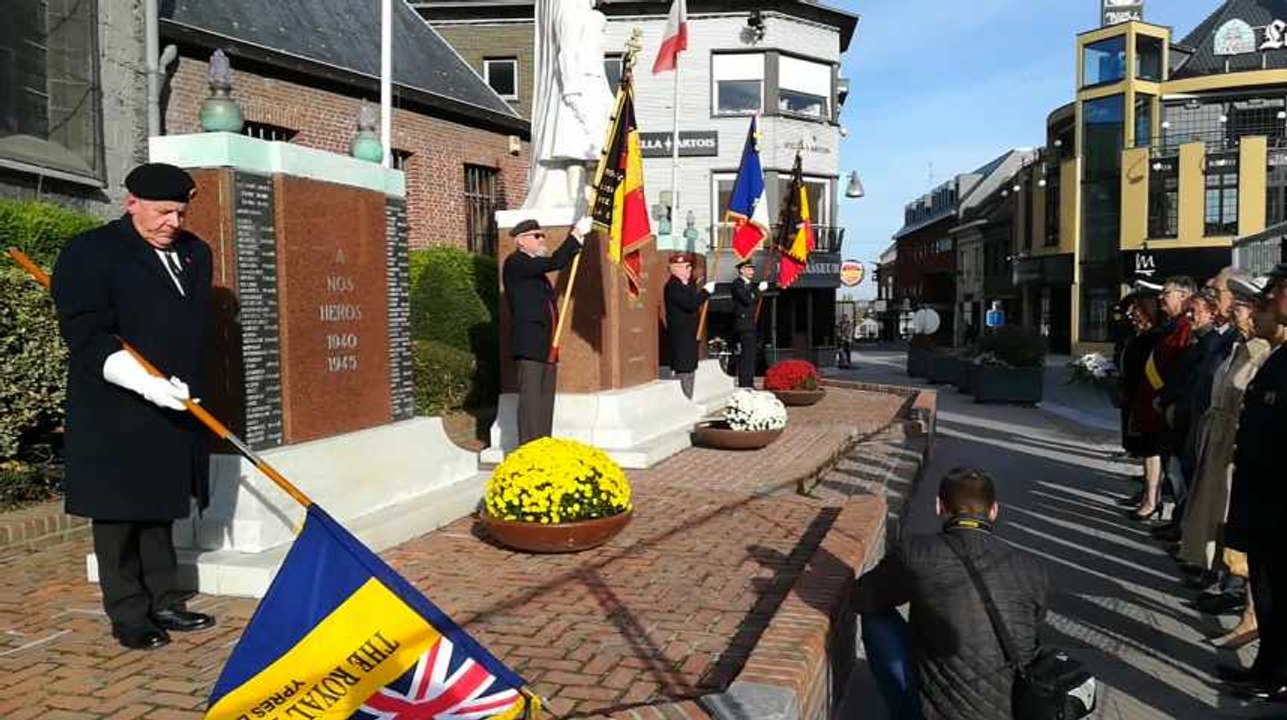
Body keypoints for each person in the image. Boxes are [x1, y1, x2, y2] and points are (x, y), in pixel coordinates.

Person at [50, 163, 216, 650]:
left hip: (174, 401)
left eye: (180, 213)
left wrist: (181, 387)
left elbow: (189, 329)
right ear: (132, 204)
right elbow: (87, 334)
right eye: (162, 212)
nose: (173, 223)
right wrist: (145, 383)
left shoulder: (195, 253)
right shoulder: (90, 252)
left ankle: (164, 600)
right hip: (114, 406)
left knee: (161, 505)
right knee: (119, 514)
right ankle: (128, 613)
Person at [853, 468, 1048, 720]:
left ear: (939, 507)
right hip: (1016, 708)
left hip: (938, 712)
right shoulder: (1031, 567)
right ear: (994, 511)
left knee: (876, 618)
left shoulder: (918, 551)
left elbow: (862, 597)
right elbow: (1034, 625)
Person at [1178, 274, 1270, 648]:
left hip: (1237, 450)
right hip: (1221, 444)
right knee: (1224, 527)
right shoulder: (1241, 345)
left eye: (1241, 308)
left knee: (1240, 534)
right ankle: (1246, 610)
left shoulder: (1263, 352)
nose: (1233, 313)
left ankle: (1250, 615)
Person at [1221, 264, 1287, 704]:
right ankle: (1268, 668)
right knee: (1267, 590)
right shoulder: (1280, 356)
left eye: (1279, 289)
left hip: (1280, 501)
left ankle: (1280, 675)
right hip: (1264, 500)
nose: (1272, 298)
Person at [502, 217, 589, 444]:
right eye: (536, 236)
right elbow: (555, 262)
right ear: (521, 241)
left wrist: (575, 245)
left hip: (547, 344)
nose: (542, 239)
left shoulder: (535, 272)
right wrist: (575, 236)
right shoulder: (517, 262)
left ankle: (543, 445)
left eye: (542, 235)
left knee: (544, 402)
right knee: (531, 403)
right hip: (530, 345)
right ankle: (529, 449)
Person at [1118, 292, 1165, 515]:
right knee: (1144, 450)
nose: (1130, 313)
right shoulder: (1138, 335)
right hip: (1136, 399)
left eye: (1135, 308)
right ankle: (1147, 493)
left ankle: (1152, 500)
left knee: (1151, 450)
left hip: (1149, 401)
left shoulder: (1155, 338)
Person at [662, 253, 714, 399]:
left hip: (689, 335)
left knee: (690, 368)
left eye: (690, 267)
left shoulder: (685, 285)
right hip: (680, 336)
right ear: (675, 268)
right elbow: (690, 304)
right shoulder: (672, 286)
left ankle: (689, 398)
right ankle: (684, 399)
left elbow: (691, 297)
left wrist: (697, 286)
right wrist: (705, 292)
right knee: (684, 369)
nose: (689, 269)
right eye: (686, 267)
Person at [730, 260, 768, 388]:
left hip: (751, 323)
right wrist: (759, 290)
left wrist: (758, 290)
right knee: (747, 355)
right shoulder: (737, 284)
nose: (752, 271)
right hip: (743, 323)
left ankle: (748, 382)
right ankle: (745, 383)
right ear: (742, 270)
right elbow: (748, 299)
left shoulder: (750, 285)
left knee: (751, 355)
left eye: (753, 269)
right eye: (749, 269)